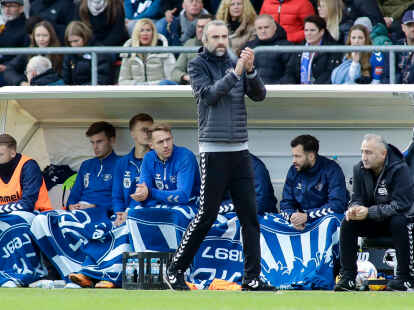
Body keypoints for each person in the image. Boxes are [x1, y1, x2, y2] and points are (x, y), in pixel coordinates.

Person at [164, 20, 276, 291]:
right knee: (207, 215)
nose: (221, 41)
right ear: (204, 39)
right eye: (215, 37)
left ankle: (252, 278)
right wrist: (237, 72)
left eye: (224, 36)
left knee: (250, 216)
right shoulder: (197, 65)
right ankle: (175, 269)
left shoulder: (235, 62)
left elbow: (260, 95)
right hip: (213, 150)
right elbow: (210, 95)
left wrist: (250, 72)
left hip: (240, 150)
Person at [334, 134, 414, 291]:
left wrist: (369, 212)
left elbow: (402, 205)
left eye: (369, 152)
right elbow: (356, 198)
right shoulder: (359, 169)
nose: (364, 157)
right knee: (348, 222)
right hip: (374, 220)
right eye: (362, 152)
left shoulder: (400, 169)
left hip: (399, 221)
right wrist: (355, 208)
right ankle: (348, 278)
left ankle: (406, 279)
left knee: (399, 221)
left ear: (383, 154)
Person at [66, 121, 120, 288]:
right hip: (79, 211)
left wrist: (95, 207)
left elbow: (119, 198)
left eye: (100, 142)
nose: (95, 147)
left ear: (112, 140)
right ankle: (66, 270)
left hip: (101, 213)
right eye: (92, 142)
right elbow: (73, 197)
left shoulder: (121, 164)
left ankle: (86, 272)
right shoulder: (86, 165)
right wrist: (71, 206)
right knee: (44, 219)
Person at [0, 134, 52, 287]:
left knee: (13, 221)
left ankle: (22, 273)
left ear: (12, 153)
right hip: (7, 214)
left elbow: (27, 204)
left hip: (38, 215)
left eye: (0, 154)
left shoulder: (28, 165)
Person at [279, 135, 348, 230]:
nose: (293, 161)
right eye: (293, 156)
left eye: (298, 156)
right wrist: (292, 218)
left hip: (327, 221)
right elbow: (285, 203)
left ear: (311, 156)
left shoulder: (332, 169)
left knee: (332, 221)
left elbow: (337, 205)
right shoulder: (293, 170)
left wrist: (307, 216)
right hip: (302, 223)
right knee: (267, 222)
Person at [112, 113, 154, 227]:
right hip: (123, 216)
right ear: (133, 134)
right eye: (144, 130)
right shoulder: (121, 163)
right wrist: (119, 214)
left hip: (148, 215)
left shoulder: (159, 160)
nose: (148, 134)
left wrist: (129, 213)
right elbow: (117, 196)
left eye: (150, 130)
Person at [281, 15, 342, 84]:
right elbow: (290, 71)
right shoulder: (299, 48)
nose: (308, 33)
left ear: (321, 32)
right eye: (306, 30)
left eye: (312, 30)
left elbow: (329, 73)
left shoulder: (332, 49)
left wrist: (313, 89)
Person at [118, 18, 176, 85]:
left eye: (148, 30)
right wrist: (138, 85)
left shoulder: (165, 51)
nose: (145, 34)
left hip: (159, 92)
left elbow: (171, 80)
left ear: (153, 33)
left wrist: (150, 85)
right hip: (137, 93)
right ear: (137, 33)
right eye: (141, 30)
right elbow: (123, 81)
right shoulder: (128, 52)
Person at [5, 20, 63, 86]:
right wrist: (21, 82)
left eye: (45, 35)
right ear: (33, 37)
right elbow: (9, 70)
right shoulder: (28, 52)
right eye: (38, 35)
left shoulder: (60, 53)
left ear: (51, 36)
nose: (41, 39)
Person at [244, 14, 291, 84]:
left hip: (277, 91)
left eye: (266, 27)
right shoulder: (249, 47)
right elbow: (241, 72)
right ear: (255, 30)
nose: (263, 31)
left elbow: (290, 75)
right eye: (259, 28)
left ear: (274, 28)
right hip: (253, 91)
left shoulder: (286, 47)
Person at [62, 21, 113, 85]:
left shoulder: (99, 52)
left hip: (95, 93)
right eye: (70, 42)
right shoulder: (69, 54)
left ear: (85, 37)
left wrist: (81, 90)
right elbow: (66, 80)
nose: (73, 45)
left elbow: (102, 80)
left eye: (76, 41)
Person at [171, 14, 213, 85]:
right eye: (199, 27)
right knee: (164, 83)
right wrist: (186, 77)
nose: (200, 30)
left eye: (204, 27)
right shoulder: (189, 43)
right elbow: (175, 71)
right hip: (190, 86)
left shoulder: (220, 44)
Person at [0, 0, 30, 86]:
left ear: (21, 8)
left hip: (15, 71)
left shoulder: (27, 26)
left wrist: (7, 66)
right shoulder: (6, 25)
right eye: (5, 6)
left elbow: (26, 53)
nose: (7, 9)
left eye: (11, 6)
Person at [396, 10, 414, 84]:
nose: (413, 29)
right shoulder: (395, 48)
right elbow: (387, 77)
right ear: (403, 27)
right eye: (410, 25)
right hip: (399, 93)